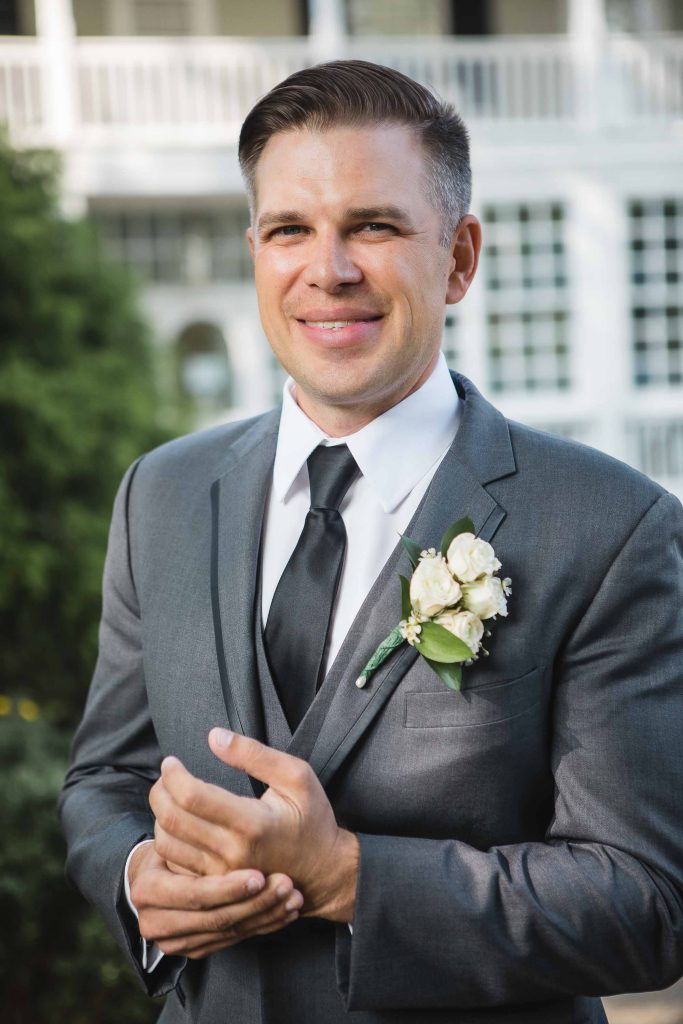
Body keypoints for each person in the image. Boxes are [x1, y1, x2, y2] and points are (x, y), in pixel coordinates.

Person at [59, 60, 683, 1024]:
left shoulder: (610, 529)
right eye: (288, 231)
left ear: (460, 258)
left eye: (375, 226)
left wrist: (349, 875)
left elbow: (644, 903)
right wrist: (141, 878)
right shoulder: (163, 495)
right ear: (256, 251)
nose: (328, 269)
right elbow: (106, 778)